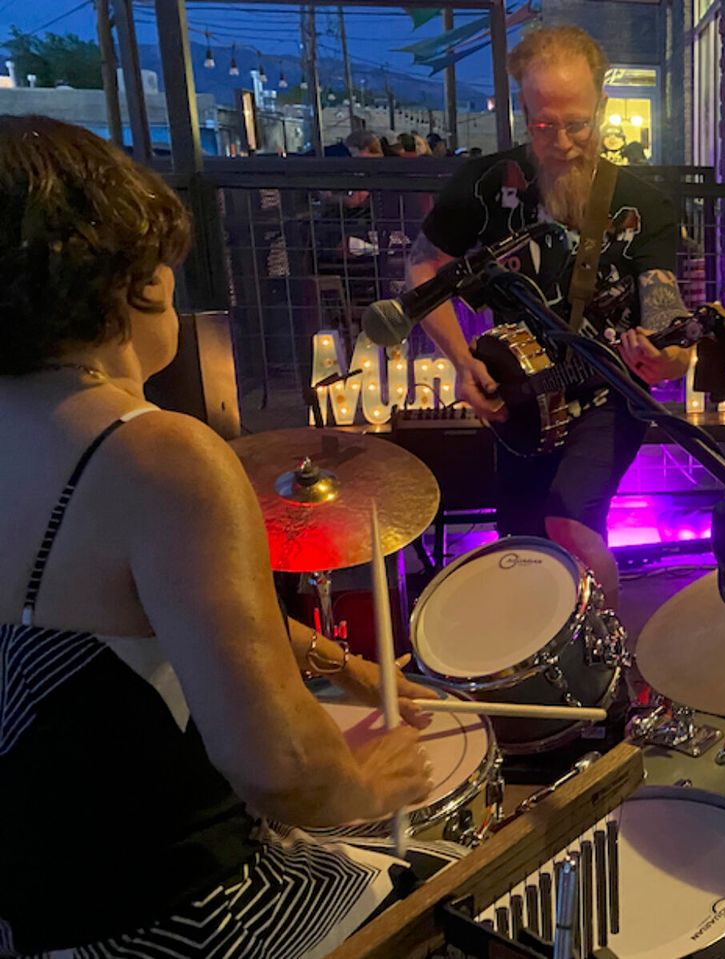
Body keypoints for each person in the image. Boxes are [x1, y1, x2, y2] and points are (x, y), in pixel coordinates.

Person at [0, 116, 449, 957]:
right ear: (130, 279)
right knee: (449, 881)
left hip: (27, 921)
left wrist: (338, 662)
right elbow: (281, 769)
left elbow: (143, 629)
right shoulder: (157, 457)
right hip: (168, 924)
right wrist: (366, 782)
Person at [407, 25, 692, 604]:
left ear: (602, 106)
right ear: (523, 110)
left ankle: (608, 651)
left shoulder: (645, 205)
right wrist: (461, 362)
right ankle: (539, 655)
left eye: (578, 124)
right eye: (543, 125)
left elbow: (669, 318)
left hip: (607, 394)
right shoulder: (485, 186)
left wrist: (669, 360)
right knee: (521, 539)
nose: (562, 142)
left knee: (570, 519)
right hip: (520, 396)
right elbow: (423, 267)